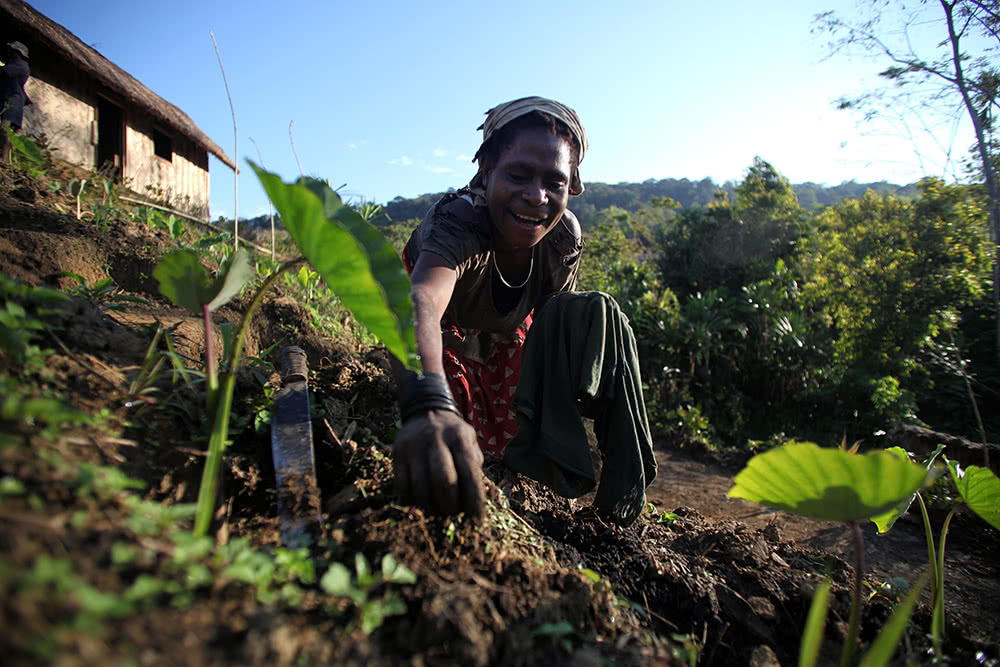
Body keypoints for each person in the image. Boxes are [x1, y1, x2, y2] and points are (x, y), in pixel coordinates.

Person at [391, 97, 656, 526]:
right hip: (436, 345)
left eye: (555, 182)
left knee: (599, 313)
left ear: (572, 185)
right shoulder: (462, 220)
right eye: (517, 175)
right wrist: (429, 405)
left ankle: (617, 499)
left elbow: (554, 327)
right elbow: (419, 303)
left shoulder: (562, 237)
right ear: (487, 171)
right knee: (449, 456)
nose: (536, 197)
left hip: (508, 345)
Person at [0, 40, 30, 163]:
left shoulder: (20, 64)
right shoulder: (13, 64)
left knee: (5, 129)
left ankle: (4, 160)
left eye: (10, 51)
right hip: (8, 99)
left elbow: (2, 72)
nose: (8, 54)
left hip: (13, 101)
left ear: (17, 53)